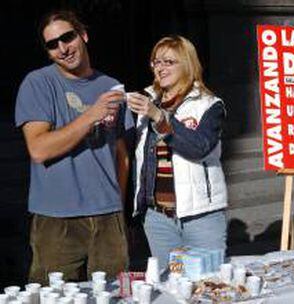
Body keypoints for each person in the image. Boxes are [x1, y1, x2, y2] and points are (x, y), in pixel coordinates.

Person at [15, 10, 133, 284]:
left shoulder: (110, 86)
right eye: (52, 44)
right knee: (52, 297)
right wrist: (92, 114)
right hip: (57, 219)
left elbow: (121, 156)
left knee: (114, 296)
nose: (62, 48)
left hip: (108, 216)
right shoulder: (38, 83)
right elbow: (39, 149)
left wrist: (119, 209)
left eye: (67, 38)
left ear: (83, 35)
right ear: (48, 52)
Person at [127, 35, 228, 269]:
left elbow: (199, 147)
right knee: (169, 289)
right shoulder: (148, 101)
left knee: (206, 285)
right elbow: (138, 162)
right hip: (157, 218)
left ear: (187, 64)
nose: (160, 68)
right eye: (156, 62)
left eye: (168, 62)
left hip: (201, 216)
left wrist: (159, 117)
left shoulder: (209, 104)